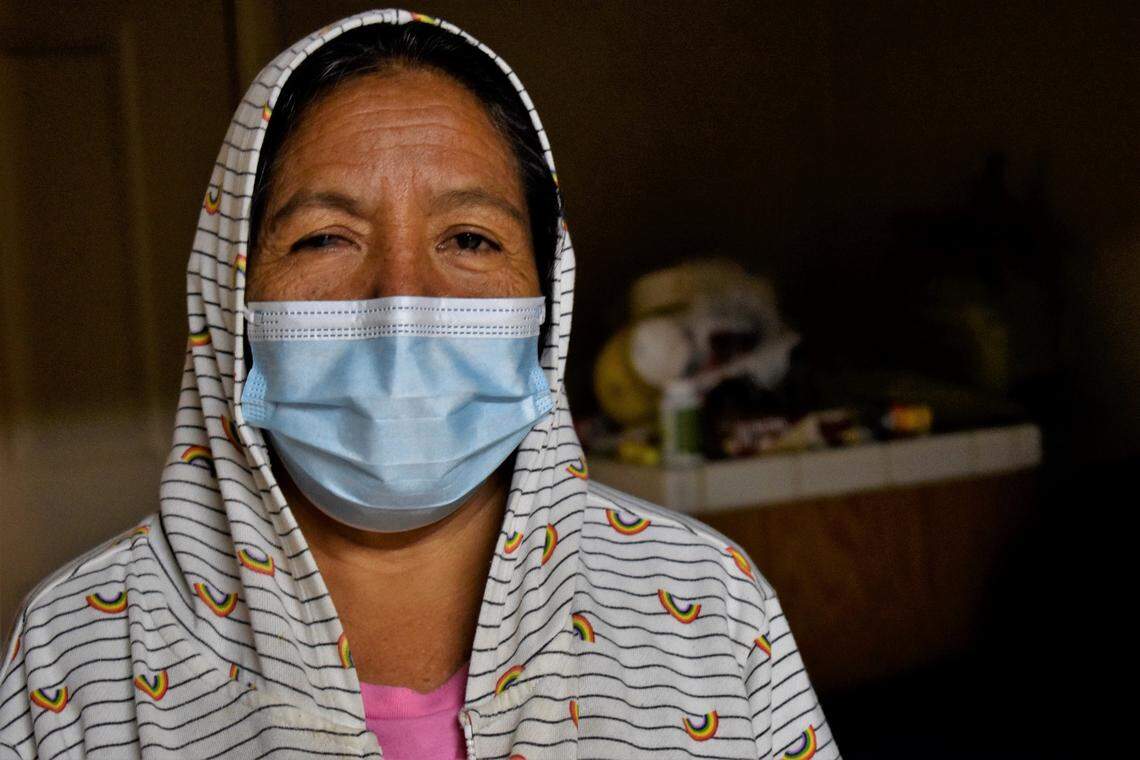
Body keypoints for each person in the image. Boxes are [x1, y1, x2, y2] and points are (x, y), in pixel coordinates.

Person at [0, 9, 838, 759]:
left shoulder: (710, 607)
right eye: (324, 239)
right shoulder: (82, 646)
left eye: (470, 239)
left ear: (547, 297)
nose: (402, 301)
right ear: (231, 297)